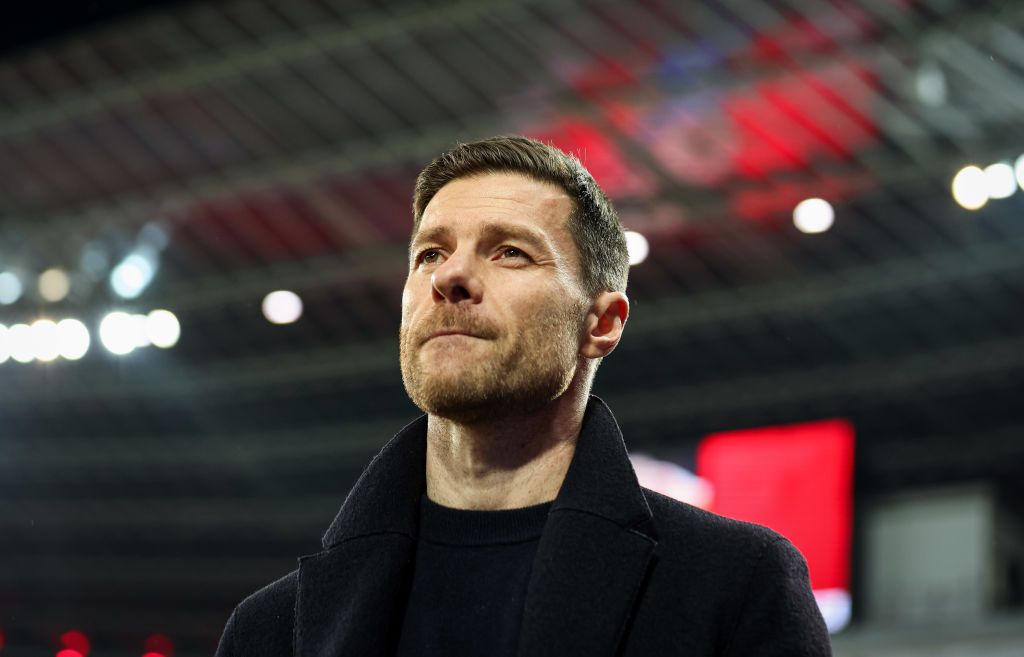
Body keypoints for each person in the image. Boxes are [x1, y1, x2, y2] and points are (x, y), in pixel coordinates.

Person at [214, 136, 832, 656]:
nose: (449, 276)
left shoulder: (733, 582)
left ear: (603, 322)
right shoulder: (269, 631)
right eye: (430, 252)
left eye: (510, 251)